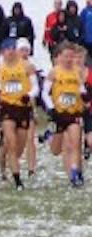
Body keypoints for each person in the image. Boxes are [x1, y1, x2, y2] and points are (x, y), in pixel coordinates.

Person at [0, 38, 36, 188]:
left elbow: (35, 87)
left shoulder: (27, 67)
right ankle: (17, 180)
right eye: (7, 49)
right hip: (6, 108)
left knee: (18, 146)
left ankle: (7, 163)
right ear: (2, 52)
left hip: (22, 108)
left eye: (13, 48)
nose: (11, 51)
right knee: (12, 143)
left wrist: (29, 95)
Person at [43, 42, 85, 187]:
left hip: (73, 114)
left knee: (74, 143)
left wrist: (84, 96)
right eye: (66, 56)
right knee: (56, 150)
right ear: (59, 57)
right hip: (58, 114)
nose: (69, 59)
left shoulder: (77, 72)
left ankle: (74, 173)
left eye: (71, 57)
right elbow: (45, 93)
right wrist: (51, 108)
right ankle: (49, 136)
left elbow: (81, 88)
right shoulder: (54, 72)